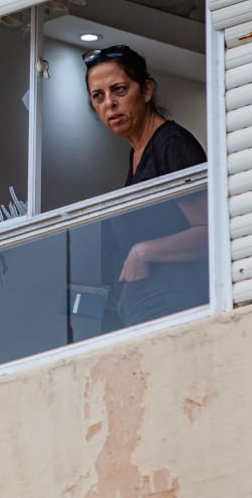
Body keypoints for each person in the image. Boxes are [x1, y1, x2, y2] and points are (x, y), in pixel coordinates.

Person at [84, 44, 208, 326]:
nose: (109, 104)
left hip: (173, 310)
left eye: (119, 90)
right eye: (98, 96)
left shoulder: (172, 144)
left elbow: (208, 232)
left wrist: (143, 252)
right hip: (141, 312)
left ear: (147, 90)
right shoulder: (137, 153)